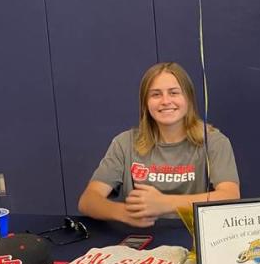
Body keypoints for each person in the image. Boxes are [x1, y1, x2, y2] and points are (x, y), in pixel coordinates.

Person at [78, 62, 240, 227]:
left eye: (174, 93)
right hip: (144, 237)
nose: (165, 101)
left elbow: (230, 195)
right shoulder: (124, 143)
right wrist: (125, 213)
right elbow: (88, 201)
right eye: (156, 95)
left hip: (196, 236)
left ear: (188, 99)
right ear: (145, 103)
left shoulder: (214, 142)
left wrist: (166, 204)